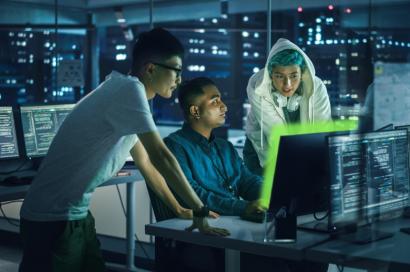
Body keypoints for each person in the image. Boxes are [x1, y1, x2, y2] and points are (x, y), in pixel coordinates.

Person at [19, 28, 229, 272]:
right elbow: (162, 157)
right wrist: (199, 209)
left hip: (75, 214)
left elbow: (146, 163)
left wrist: (179, 208)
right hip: (51, 217)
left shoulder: (126, 92)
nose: (179, 80)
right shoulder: (129, 91)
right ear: (151, 68)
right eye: (176, 71)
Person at [164, 77, 263, 216]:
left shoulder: (225, 147)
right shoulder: (175, 146)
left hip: (232, 221)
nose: (224, 106)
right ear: (195, 111)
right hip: (202, 226)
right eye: (215, 101)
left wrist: (274, 195)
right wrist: (243, 208)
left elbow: (247, 181)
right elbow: (193, 195)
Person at [243, 38, 332, 176]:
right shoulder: (258, 87)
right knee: (268, 195)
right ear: (271, 75)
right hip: (262, 151)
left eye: (294, 76)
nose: (287, 84)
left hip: (304, 154)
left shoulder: (317, 87)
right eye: (279, 76)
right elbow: (276, 135)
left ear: (302, 73)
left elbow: (322, 129)